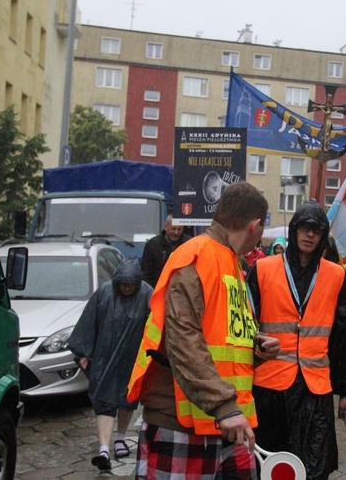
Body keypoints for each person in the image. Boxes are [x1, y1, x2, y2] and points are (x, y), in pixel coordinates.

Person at [127, 182, 280, 478]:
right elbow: (183, 338)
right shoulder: (196, 257)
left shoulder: (233, 265)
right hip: (184, 421)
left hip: (226, 421)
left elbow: (221, 337)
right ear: (255, 225)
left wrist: (255, 349)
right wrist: (225, 406)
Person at [247, 200, 346, 480]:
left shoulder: (337, 276)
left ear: (324, 236)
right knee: (269, 466)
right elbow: (244, 322)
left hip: (315, 389)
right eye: (304, 228)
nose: (309, 234)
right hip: (269, 387)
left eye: (316, 230)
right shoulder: (263, 270)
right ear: (293, 230)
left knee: (315, 467)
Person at [67, 258, 153, 471]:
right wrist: (84, 352)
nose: (126, 288)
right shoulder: (104, 293)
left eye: (130, 285)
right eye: (123, 284)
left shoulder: (147, 294)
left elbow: (155, 323)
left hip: (132, 358)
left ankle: (120, 438)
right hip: (104, 355)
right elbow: (90, 321)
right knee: (103, 399)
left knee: (127, 399)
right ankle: (104, 448)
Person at [140, 215, 191, 287]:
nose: (176, 232)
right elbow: (146, 273)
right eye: (173, 229)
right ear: (165, 227)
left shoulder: (189, 243)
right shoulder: (152, 244)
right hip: (158, 288)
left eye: (179, 229)